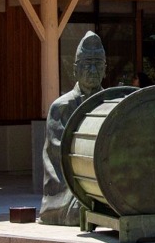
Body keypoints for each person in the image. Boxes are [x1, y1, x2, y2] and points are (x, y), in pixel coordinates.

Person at [38, 31, 106, 225]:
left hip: (107, 182)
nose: (93, 70)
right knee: (80, 209)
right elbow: (59, 156)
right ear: (75, 70)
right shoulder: (61, 107)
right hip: (71, 188)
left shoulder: (113, 103)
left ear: (105, 69)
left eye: (98, 64)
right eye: (87, 65)